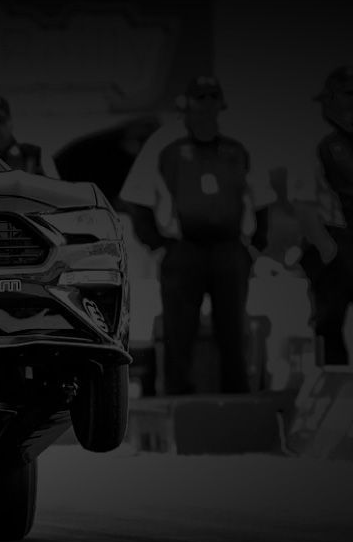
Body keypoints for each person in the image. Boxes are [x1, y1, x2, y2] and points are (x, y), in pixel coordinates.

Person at [150, 75, 266, 395]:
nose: (205, 104)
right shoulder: (169, 152)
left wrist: (255, 247)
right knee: (178, 331)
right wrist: (158, 244)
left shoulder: (237, 150)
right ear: (186, 107)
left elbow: (263, 200)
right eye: (199, 98)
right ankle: (177, 401)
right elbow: (140, 200)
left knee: (232, 329)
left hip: (229, 248)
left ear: (220, 104)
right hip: (185, 248)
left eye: (211, 97)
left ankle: (237, 400)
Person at [290, 65, 353, 365]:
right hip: (334, 239)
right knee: (330, 324)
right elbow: (304, 205)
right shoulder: (316, 141)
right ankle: (333, 393)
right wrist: (329, 250)